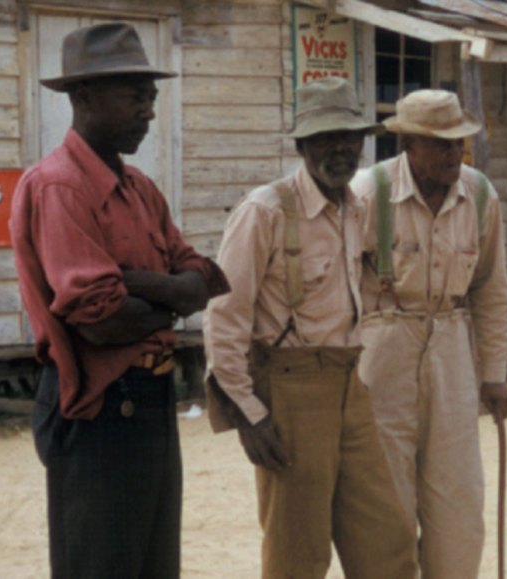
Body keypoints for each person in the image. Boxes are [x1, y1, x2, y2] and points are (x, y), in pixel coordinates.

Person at [10, 23, 229, 578]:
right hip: (99, 408)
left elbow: (203, 275)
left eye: (151, 97)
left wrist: (137, 281)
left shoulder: (141, 189)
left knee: (155, 566)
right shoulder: (59, 186)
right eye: (134, 96)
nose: (148, 112)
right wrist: (172, 294)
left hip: (152, 398)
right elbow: (102, 320)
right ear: (83, 97)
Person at [202, 78, 416, 578]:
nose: (340, 148)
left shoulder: (356, 208)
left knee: (388, 542)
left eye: (349, 136)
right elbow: (225, 316)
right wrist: (249, 414)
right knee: (297, 554)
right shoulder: (266, 211)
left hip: (349, 384)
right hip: (290, 389)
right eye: (325, 137)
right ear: (301, 146)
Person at [349, 89, 507, 579]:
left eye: (458, 143)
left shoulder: (480, 194)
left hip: (451, 347)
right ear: (408, 145)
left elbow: (492, 291)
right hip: (382, 348)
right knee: (387, 501)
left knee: (458, 504)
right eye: (441, 144)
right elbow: (337, 289)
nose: (454, 154)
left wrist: (495, 373)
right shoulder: (366, 193)